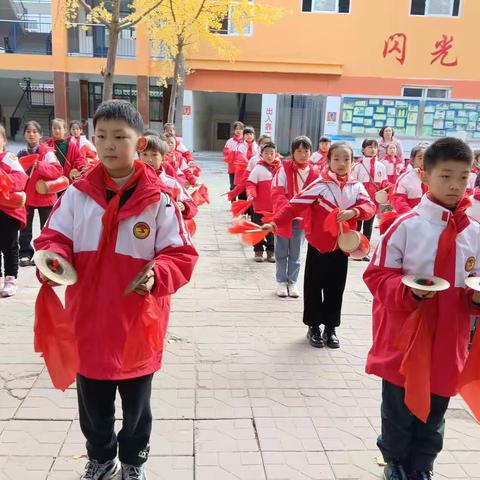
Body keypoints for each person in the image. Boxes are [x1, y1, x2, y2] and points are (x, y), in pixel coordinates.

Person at [34, 100, 198, 480]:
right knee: (93, 405)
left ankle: (133, 463)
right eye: (101, 136)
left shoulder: (159, 200)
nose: (109, 145)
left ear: (139, 143)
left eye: (119, 137)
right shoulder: (77, 195)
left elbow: (181, 253)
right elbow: (54, 237)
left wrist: (160, 274)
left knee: (137, 407)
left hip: (138, 323)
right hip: (88, 321)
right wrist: (53, 260)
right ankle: (101, 458)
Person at [363, 137, 480, 480]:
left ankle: (422, 465)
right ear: (425, 176)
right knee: (398, 406)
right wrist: (408, 293)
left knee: (437, 406)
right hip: (405, 337)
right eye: (446, 176)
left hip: (449, 337)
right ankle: (396, 461)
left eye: (464, 176)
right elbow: (377, 275)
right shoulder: (405, 226)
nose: (456, 185)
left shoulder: (474, 233)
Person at [265, 142, 375, 348]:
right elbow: (293, 206)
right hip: (318, 245)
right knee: (314, 286)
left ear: (353, 162)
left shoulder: (356, 186)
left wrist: (355, 212)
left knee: (336, 288)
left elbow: (370, 207)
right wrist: (274, 222)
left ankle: (331, 328)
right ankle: (313, 327)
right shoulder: (320, 185)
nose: (341, 163)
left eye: (346, 159)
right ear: (328, 161)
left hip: (342, 247)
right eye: (337, 159)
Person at [271, 135, 319, 298]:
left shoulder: (315, 172)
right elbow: (277, 192)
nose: (303, 154)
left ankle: (292, 281)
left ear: (311, 152)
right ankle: (281, 282)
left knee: (296, 253)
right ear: (292, 152)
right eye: (299, 151)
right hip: (284, 218)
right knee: (281, 251)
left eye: (306, 150)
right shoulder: (283, 169)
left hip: (303, 220)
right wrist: (290, 209)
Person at [17, 121, 63, 267]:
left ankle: (45, 255)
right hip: (28, 197)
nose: (31, 134)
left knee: (46, 228)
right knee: (25, 228)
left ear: (41, 135)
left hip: (45, 196)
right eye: (28, 131)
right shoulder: (21, 154)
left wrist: (40, 165)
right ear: (24, 134)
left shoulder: (47, 152)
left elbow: (58, 171)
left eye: (34, 131)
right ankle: (25, 253)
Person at [138, 135, 198, 221]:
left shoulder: (171, 183)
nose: (149, 159)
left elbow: (192, 205)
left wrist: (184, 206)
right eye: (145, 154)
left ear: (163, 158)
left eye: (154, 155)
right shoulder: (132, 180)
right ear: (139, 157)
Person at [0, 125, 28, 297]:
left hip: (8, 210)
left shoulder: (9, 158)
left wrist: (3, 181)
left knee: (9, 245)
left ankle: (10, 278)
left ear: (4, 140)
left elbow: (20, 178)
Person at [351, 138, 388, 257]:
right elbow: (352, 183)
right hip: (360, 200)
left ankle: (364, 251)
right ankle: (354, 249)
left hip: (373, 201)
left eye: (375, 147)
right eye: (370, 147)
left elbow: (384, 183)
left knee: (369, 225)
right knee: (357, 225)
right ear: (363, 149)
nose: (373, 150)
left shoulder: (381, 166)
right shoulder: (358, 166)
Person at [246, 142, 280, 263]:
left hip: (275, 208)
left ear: (276, 154)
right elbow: (250, 184)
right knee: (259, 229)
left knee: (272, 231)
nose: (269, 156)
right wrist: (251, 194)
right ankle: (258, 250)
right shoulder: (258, 169)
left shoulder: (280, 168)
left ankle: (271, 252)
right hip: (260, 207)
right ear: (261, 154)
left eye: (272, 153)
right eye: (266, 153)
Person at [391, 145, 427, 214]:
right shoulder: (404, 178)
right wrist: (411, 215)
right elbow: (398, 200)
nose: (424, 161)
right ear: (412, 160)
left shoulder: (434, 177)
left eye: (426, 158)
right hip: (410, 219)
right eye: (420, 158)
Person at [223, 121, 245, 192]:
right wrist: (232, 154)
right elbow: (225, 153)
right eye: (236, 129)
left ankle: (240, 202)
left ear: (243, 130)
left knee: (241, 186)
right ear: (234, 130)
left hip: (242, 168)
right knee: (232, 186)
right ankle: (233, 202)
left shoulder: (246, 141)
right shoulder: (230, 141)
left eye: (240, 129)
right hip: (232, 168)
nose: (238, 131)